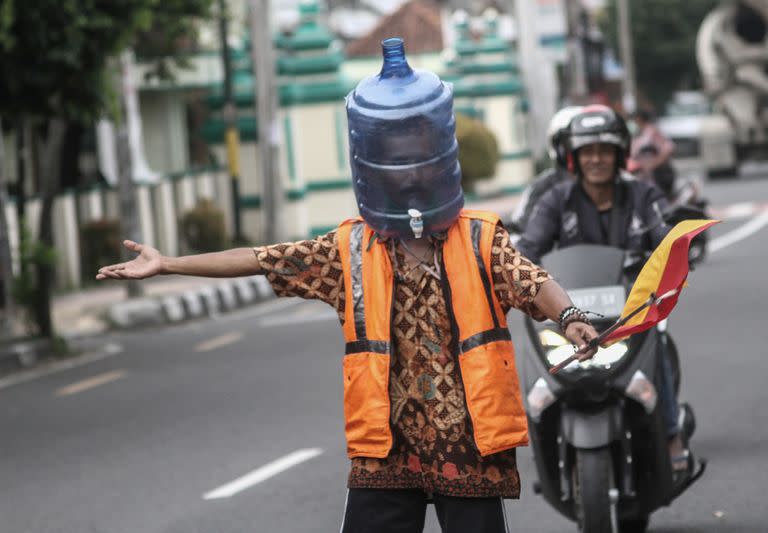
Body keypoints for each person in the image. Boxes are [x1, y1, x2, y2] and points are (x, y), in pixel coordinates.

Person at [97, 39, 600, 533]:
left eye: (417, 159)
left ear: (437, 159)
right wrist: (168, 264)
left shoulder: (479, 240)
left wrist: (571, 317)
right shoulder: (348, 251)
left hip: (467, 444)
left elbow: (532, 281)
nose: (406, 174)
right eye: (394, 161)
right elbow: (259, 259)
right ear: (372, 166)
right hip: (386, 448)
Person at [516, 104, 689, 472]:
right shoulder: (554, 201)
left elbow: (666, 237)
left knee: (658, 338)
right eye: (587, 152)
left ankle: (671, 432)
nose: (596, 159)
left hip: (633, 310)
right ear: (573, 158)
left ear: (619, 154)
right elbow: (528, 250)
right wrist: (514, 268)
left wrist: (677, 243)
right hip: (571, 313)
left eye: (604, 150)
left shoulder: (645, 196)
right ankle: (543, 437)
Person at [506, 106, 582, 237]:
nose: (594, 158)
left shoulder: (625, 186)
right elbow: (519, 230)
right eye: (572, 144)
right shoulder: (543, 187)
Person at [630, 108, 676, 197]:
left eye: (635, 119)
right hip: (643, 176)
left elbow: (668, 148)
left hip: (658, 176)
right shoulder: (639, 133)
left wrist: (654, 164)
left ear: (639, 119)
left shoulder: (652, 132)